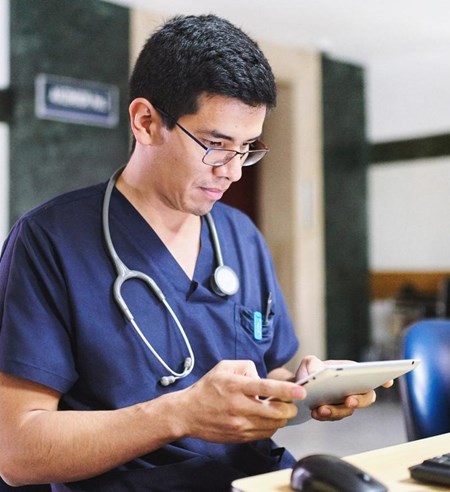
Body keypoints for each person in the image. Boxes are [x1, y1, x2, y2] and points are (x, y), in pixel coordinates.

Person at [0, 14, 382, 492]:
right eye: (216, 145)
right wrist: (178, 414)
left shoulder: (240, 236)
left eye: (246, 149)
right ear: (146, 122)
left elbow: (270, 370)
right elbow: (17, 451)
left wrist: (305, 386)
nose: (233, 172)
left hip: (259, 480)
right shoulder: (49, 242)